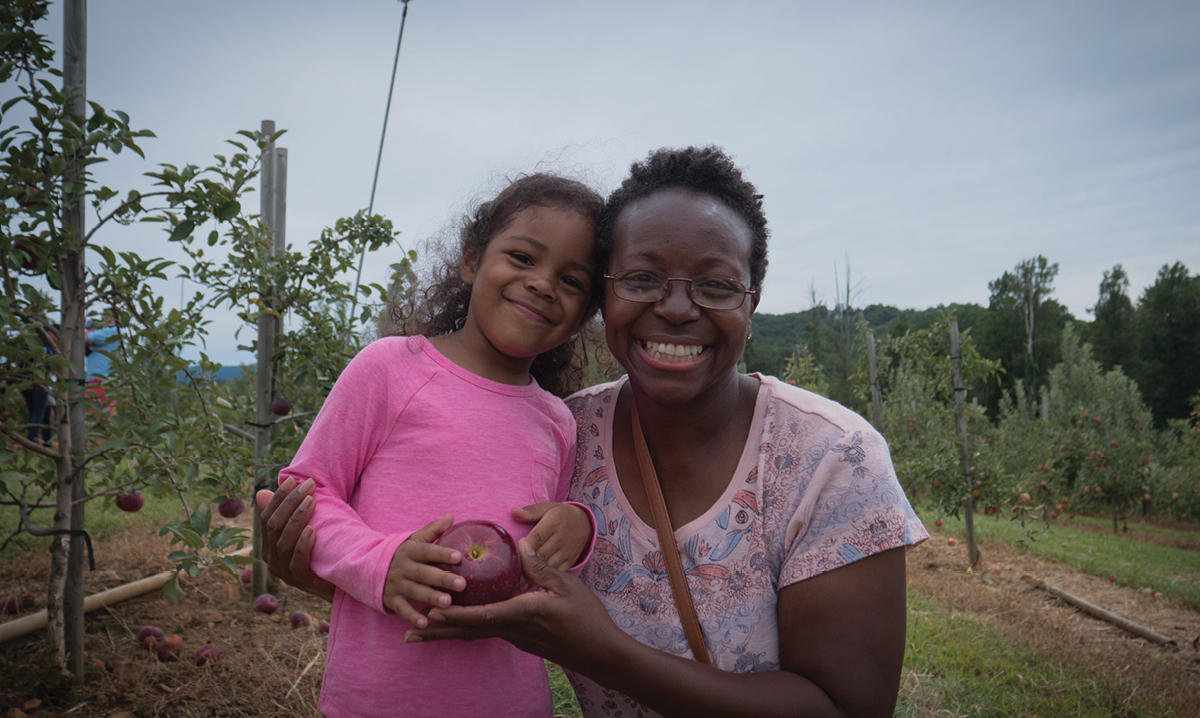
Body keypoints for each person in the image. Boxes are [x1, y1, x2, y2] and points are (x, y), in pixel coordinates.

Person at [261, 147, 928, 717]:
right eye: (641, 278)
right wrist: (340, 564)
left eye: (715, 285)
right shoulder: (569, 422)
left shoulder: (832, 458)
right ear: (609, 298)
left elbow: (847, 709)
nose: (674, 307)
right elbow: (331, 505)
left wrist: (588, 584)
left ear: (752, 298)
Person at [270, 173, 605, 718]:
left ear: (585, 315)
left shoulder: (556, 421)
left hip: (511, 701)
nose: (544, 284)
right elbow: (308, 494)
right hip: (378, 699)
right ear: (472, 260)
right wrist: (383, 564)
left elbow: (541, 554)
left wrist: (578, 526)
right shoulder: (391, 370)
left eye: (572, 281)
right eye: (523, 258)